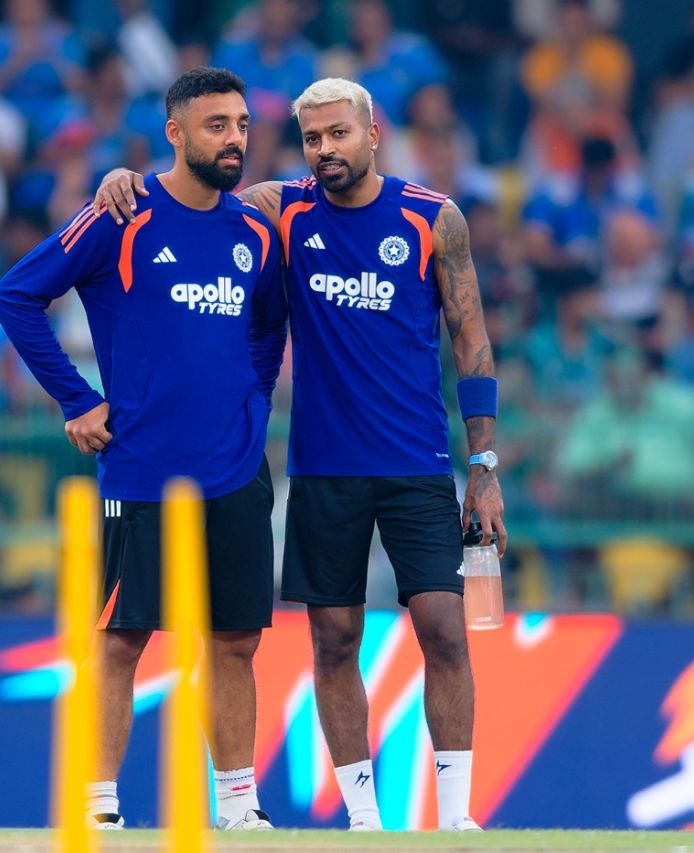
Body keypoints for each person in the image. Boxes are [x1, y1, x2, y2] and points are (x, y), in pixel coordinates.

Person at [95, 76, 503, 832]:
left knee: (444, 629)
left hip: (417, 463)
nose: (325, 151)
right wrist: (123, 182)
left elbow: (472, 340)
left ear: (372, 133)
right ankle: (365, 820)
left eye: (339, 134)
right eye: (312, 139)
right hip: (321, 467)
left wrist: (483, 468)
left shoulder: (432, 218)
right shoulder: (280, 212)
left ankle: (454, 820)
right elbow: (184, 194)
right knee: (334, 637)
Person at [0, 67, 287, 831]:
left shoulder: (254, 231)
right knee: (121, 638)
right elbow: (16, 295)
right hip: (143, 467)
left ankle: (237, 807)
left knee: (235, 640)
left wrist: (252, 402)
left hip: (235, 467)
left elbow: (266, 325)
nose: (234, 138)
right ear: (176, 132)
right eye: (216, 124)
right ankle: (97, 808)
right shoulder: (120, 211)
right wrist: (78, 397)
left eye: (242, 123)